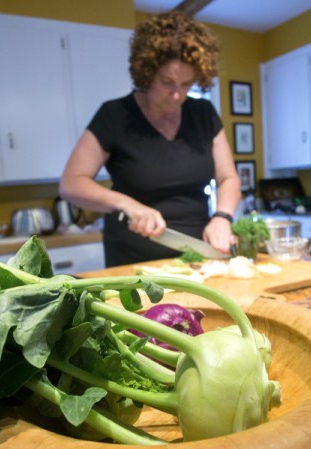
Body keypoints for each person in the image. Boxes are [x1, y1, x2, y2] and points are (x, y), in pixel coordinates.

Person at [58, 11, 241, 267]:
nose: (177, 95)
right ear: (146, 72)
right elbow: (71, 183)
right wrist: (128, 205)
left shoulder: (204, 113)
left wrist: (222, 217)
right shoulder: (115, 115)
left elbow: (228, 178)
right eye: (167, 82)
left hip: (196, 256)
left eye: (187, 84)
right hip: (132, 259)